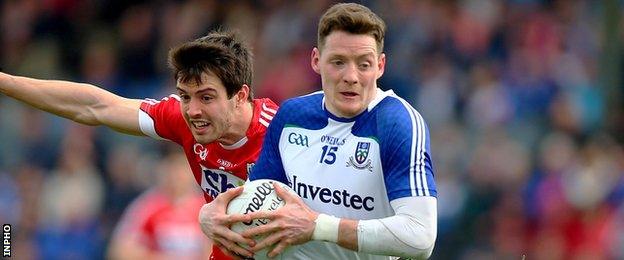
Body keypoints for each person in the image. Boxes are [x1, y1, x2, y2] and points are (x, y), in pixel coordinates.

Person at [0, 30, 273, 259]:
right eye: (185, 96)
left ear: (240, 96)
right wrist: (6, 82)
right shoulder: (184, 119)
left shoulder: (282, 134)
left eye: (206, 97)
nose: (193, 111)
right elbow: (96, 107)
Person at [200, 3, 437, 259]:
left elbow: (420, 237)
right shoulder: (292, 116)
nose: (351, 76)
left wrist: (317, 227)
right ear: (316, 60)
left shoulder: (397, 123)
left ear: (380, 66)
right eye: (338, 62)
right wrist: (208, 217)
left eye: (364, 64)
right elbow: (256, 207)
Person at [108, 150, 210, 259]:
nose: (176, 176)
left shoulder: (206, 207)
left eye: (181, 169)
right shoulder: (148, 205)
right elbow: (120, 250)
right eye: (171, 169)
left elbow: (216, 249)